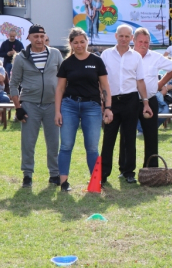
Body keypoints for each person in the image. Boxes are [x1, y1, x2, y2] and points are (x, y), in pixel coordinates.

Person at [54, 28, 113, 192]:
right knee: (66, 145)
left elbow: (105, 86)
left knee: (92, 147)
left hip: (92, 107)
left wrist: (108, 107)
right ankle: (64, 182)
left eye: (82, 41)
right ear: (71, 44)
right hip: (69, 106)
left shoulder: (97, 61)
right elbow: (59, 89)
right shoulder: (67, 63)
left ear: (87, 41)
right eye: (75, 42)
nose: (79, 45)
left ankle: (95, 183)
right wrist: (57, 111)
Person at [9, 24, 63, 188]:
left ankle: (54, 174)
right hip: (30, 105)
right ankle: (27, 175)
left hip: (52, 105)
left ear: (45, 37)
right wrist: (18, 107)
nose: (39, 40)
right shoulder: (21, 57)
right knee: (28, 142)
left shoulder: (55, 54)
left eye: (42, 36)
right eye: (35, 37)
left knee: (54, 142)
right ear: (29, 38)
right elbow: (13, 84)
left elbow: (63, 79)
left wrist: (61, 105)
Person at [100, 25, 153, 184]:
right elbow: (101, 81)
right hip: (111, 101)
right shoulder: (106, 54)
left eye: (127, 36)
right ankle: (103, 173)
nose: (124, 39)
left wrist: (146, 103)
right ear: (116, 36)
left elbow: (140, 81)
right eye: (121, 36)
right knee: (108, 138)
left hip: (130, 100)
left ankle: (129, 172)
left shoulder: (136, 56)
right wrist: (103, 103)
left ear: (131, 38)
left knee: (130, 138)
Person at [126, 27, 172, 169]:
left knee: (151, 136)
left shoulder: (155, 56)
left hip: (150, 100)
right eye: (140, 41)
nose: (143, 44)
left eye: (147, 42)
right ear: (133, 40)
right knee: (128, 136)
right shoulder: (126, 55)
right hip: (129, 100)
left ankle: (151, 167)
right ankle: (127, 170)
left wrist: (161, 83)